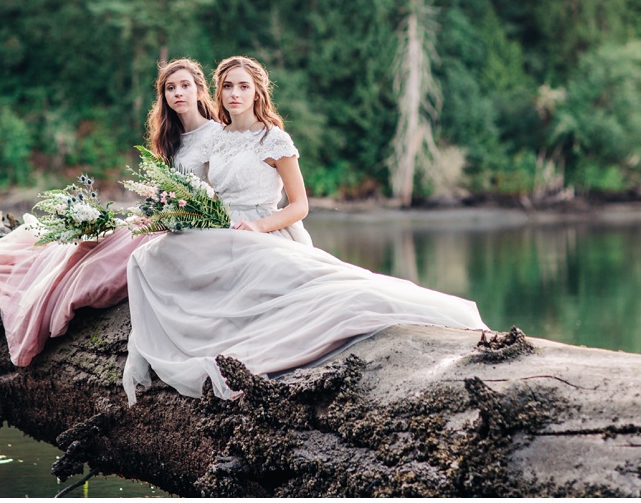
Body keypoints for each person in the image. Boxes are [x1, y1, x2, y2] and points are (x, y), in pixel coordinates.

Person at [123, 55, 488, 404]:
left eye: (243, 87)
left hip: (265, 230)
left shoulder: (274, 140)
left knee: (327, 297)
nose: (235, 94)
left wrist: (258, 226)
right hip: (225, 229)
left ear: (257, 93)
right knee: (150, 255)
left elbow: (300, 206)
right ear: (218, 93)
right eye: (228, 87)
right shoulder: (216, 138)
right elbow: (205, 193)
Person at [0, 58, 221, 367]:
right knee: (91, 243)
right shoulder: (170, 138)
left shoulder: (217, 136)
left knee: (99, 267)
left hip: (188, 231)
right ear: (164, 96)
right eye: (171, 88)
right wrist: (150, 214)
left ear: (199, 90)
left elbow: (216, 199)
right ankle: (41, 283)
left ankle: (62, 302)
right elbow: (163, 193)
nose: (178, 93)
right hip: (159, 222)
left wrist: (167, 218)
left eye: (185, 86)